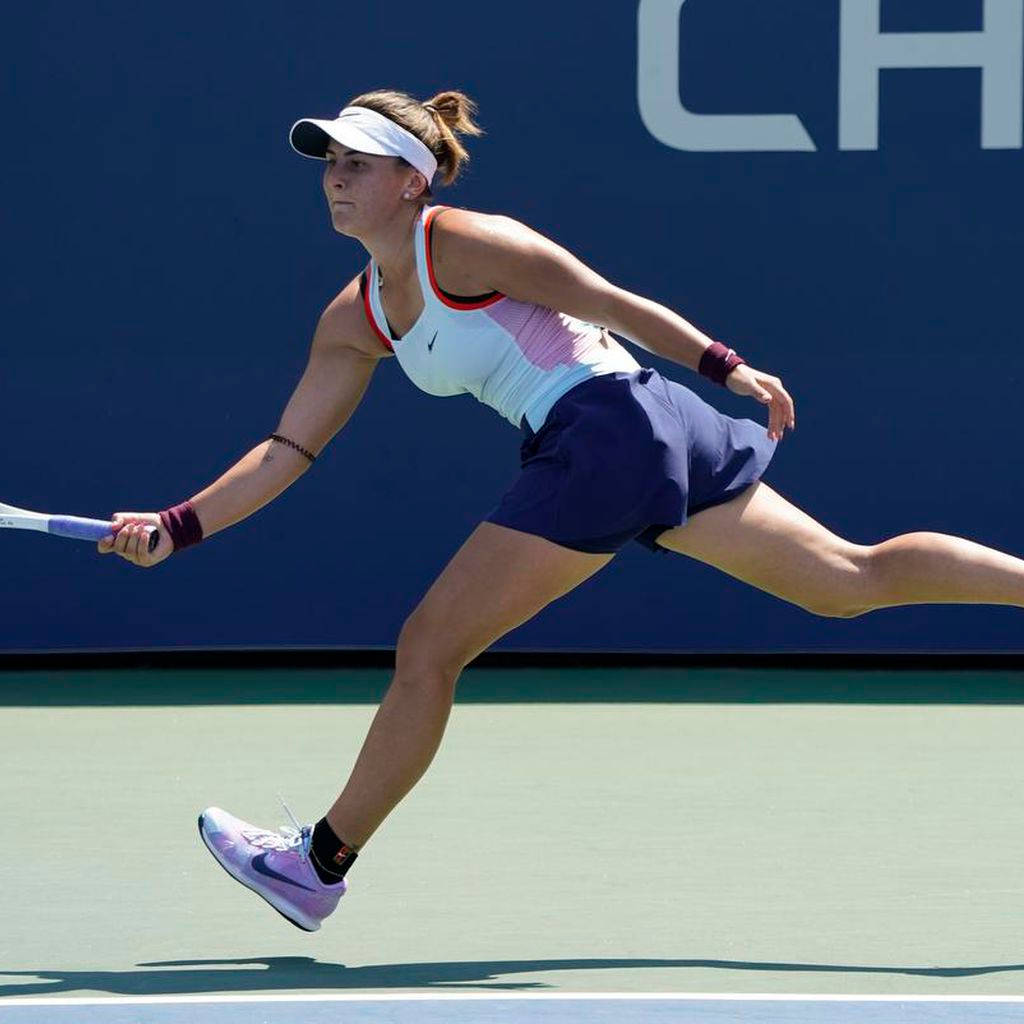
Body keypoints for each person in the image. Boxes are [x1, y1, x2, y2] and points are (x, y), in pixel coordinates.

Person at [98, 89, 1024, 932]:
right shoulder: (354, 317)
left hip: (610, 422)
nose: (335, 179)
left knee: (429, 648)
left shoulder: (464, 241)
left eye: (356, 163)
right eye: (328, 163)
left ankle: (316, 866)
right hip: (630, 433)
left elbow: (607, 302)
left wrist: (724, 363)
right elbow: (287, 449)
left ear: (412, 180)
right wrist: (179, 527)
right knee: (844, 583)